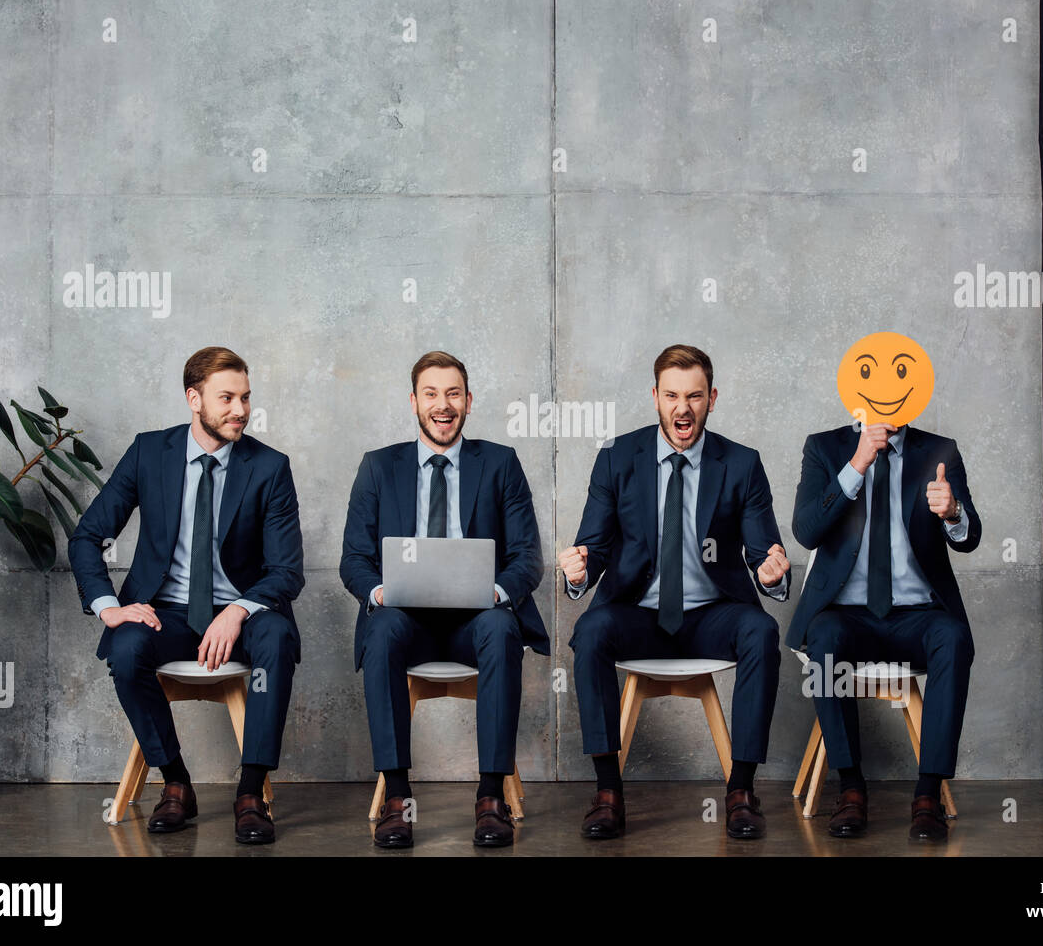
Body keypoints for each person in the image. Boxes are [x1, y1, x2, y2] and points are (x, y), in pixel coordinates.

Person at [69, 346, 304, 844]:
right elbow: (88, 535)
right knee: (128, 648)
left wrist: (237, 611)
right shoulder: (150, 452)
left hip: (242, 608)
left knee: (276, 638)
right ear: (194, 399)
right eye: (227, 398)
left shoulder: (269, 467)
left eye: (245, 398)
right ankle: (175, 780)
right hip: (168, 611)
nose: (240, 410)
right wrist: (108, 606)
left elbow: (287, 571)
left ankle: (249, 791)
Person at [559, 344, 790, 840]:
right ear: (655, 397)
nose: (682, 408)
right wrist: (579, 571)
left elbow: (760, 551)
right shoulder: (618, 458)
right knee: (591, 631)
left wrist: (771, 573)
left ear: (712, 398)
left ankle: (742, 790)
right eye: (671, 396)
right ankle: (607, 792)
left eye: (694, 396)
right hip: (638, 615)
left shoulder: (742, 463)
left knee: (762, 631)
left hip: (713, 614)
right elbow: (593, 547)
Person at [340, 350, 546, 848]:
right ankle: (398, 796)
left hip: (474, 622)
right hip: (406, 621)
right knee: (383, 627)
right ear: (414, 402)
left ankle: (491, 796)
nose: (443, 405)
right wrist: (379, 590)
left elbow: (528, 558)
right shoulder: (378, 467)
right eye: (431, 393)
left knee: (501, 627)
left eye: (453, 393)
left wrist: (491, 590)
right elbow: (353, 560)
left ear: (469, 401)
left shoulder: (500, 463)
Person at [787, 417, 980, 842]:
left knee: (953, 637)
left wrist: (953, 513)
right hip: (847, 615)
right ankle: (851, 788)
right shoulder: (823, 447)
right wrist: (857, 463)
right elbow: (806, 531)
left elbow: (969, 539)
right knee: (823, 639)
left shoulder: (939, 450)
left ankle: (927, 794)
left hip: (917, 614)